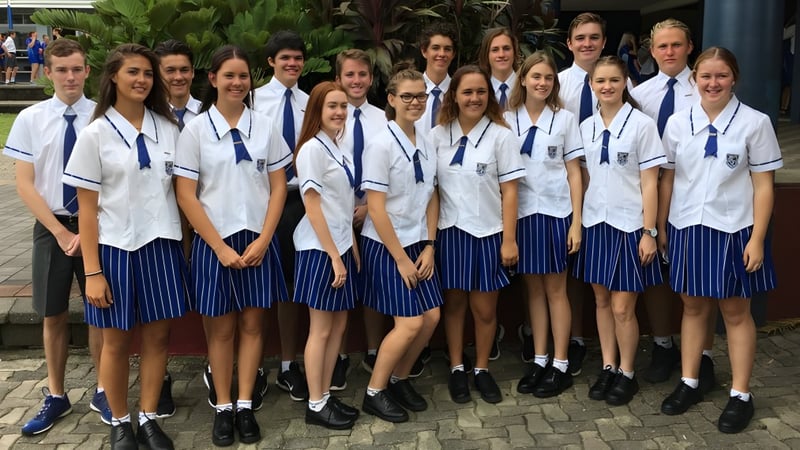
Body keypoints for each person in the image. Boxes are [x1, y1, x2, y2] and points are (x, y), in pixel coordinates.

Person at [62, 43, 187, 450]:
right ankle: (119, 421)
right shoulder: (95, 135)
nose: (142, 80)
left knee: (158, 339)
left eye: (148, 73)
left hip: (162, 246)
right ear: (113, 76)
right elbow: (86, 211)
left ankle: (148, 417)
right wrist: (93, 273)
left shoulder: (169, 129)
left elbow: (182, 194)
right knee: (116, 342)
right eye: (133, 72)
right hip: (115, 249)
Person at [658, 46, 782, 434]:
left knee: (735, 312)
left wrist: (757, 238)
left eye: (721, 75)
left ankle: (740, 394)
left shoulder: (755, 123)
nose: (713, 83)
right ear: (694, 79)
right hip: (686, 226)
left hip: (734, 230)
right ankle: (690, 380)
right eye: (706, 76)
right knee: (693, 307)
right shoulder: (678, 122)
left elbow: (763, 186)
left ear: (734, 79)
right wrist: (661, 227)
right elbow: (668, 178)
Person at [174, 45, 289, 447]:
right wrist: (219, 247)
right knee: (221, 331)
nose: (237, 83)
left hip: (258, 239)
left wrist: (265, 238)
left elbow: (278, 187)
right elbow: (186, 194)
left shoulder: (266, 126)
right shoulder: (196, 130)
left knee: (254, 325)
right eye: (229, 76)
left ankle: (245, 403)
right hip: (215, 241)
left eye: (243, 76)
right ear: (213, 79)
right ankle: (223, 406)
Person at [4, 38, 108, 436]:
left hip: (97, 226)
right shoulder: (30, 119)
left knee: (100, 310)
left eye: (77, 69)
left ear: (87, 71)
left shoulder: (102, 116)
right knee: (52, 312)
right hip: (52, 228)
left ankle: (104, 389)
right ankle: (57, 394)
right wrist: (62, 232)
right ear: (47, 73)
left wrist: (87, 227)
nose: (70, 77)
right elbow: (25, 184)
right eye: (62, 70)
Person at [630, 18, 717, 390]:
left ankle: (704, 356)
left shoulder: (705, 89)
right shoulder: (640, 94)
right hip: (650, 194)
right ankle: (663, 345)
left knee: (700, 282)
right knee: (655, 275)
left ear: (689, 47)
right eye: (662, 46)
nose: (669, 52)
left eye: (676, 45)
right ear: (651, 51)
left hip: (696, 196)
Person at [432, 65, 525, 404]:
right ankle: (457, 367)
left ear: (489, 96)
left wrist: (509, 239)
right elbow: (432, 190)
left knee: (484, 310)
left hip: (488, 233)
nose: (474, 98)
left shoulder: (502, 136)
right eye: (467, 92)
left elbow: (510, 191)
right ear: (454, 96)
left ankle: (482, 369)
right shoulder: (438, 135)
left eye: (481, 91)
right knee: (454, 306)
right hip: (450, 232)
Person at [576, 55, 664, 406]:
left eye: (614, 80)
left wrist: (649, 231)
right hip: (595, 223)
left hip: (629, 225)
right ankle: (608, 366)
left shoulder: (642, 125)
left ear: (625, 82)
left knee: (623, 307)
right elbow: (585, 178)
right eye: (600, 81)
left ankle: (627, 372)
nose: (607, 86)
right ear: (591, 85)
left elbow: (650, 182)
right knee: (601, 300)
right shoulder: (586, 127)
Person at [359, 65, 442, 423]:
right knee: (409, 323)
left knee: (431, 317)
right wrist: (401, 259)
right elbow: (376, 208)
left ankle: (399, 378)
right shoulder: (380, 145)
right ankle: (374, 392)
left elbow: (433, 195)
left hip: (418, 241)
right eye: (406, 96)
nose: (415, 102)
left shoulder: (427, 140)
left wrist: (430, 245)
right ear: (391, 99)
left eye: (420, 96)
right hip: (387, 245)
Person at [504, 51, 583, 398]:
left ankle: (560, 363)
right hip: (521, 215)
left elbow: (574, 172)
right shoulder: (506, 120)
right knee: (533, 290)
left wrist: (576, 222)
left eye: (548, 77)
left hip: (555, 214)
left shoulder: (565, 119)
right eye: (536, 76)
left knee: (555, 290)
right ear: (522, 79)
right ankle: (539, 358)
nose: (542, 83)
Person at [293, 81, 360, 430]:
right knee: (320, 330)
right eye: (332, 106)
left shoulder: (338, 146)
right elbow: (313, 205)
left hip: (341, 247)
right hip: (320, 250)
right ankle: (315, 403)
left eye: (343, 106)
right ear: (317, 110)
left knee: (339, 325)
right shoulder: (311, 150)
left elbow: (342, 205)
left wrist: (351, 247)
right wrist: (334, 255)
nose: (339, 112)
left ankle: (325, 394)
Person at [252, 30, 310, 403]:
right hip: (259, 202)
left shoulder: (311, 102)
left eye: (298, 58)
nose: (292, 63)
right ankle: (254, 368)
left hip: (300, 201)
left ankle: (289, 365)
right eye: (285, 57)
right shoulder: (253, 100)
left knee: (289, 286)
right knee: (257, 286)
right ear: (271, 61)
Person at [333, 48, 389, 384]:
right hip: (335, 214)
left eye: (362, 74)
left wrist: (369, 206)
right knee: (337, 285)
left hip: (372, 211)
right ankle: (338, 355)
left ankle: (373, 349)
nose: (356, 80)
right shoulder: (329, 117)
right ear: (338, 78)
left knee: (372, 282)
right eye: (349, 74)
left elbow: (391, 169)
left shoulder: (383, 119)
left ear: (371, 79)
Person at [155, 39, 202, 131]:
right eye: (170, 70)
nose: (179, 77)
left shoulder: (209, 114)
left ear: (192, 72)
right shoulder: (149, 117)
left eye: (184, 70)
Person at [418, 22, 458, 131]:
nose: (442, 54)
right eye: (435, 48)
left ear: (453, 54)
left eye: (447, 49)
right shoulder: (410, 92)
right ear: (424, 51)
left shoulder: (459, 93)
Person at [478, 27, 520, 112]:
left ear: (515, 52)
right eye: (495, 50)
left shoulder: (527, 88)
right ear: (486, 55)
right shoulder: (479, 90)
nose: (501, 55)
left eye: (506, 48)